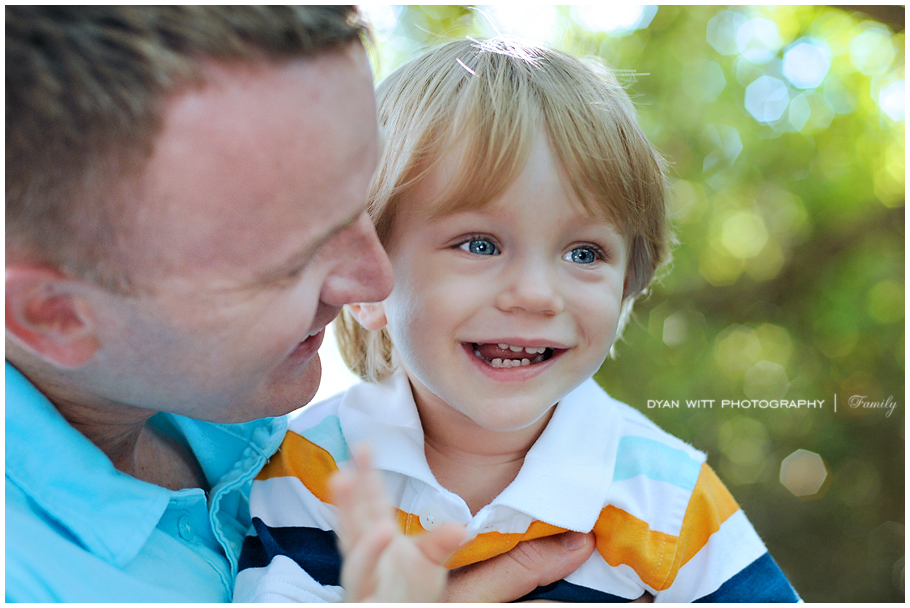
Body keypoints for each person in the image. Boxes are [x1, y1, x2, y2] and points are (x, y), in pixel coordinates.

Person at [5, 8, 594, 602]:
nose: (375, 279)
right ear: (57, 315)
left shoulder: (283, 437)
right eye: (294, 258)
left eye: (363, 202)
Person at [235, 38, 802, 602]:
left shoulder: (666, 503)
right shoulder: (302, 474)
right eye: (479, 244)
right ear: (367, 279)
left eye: (584, 253)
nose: (535, 295)